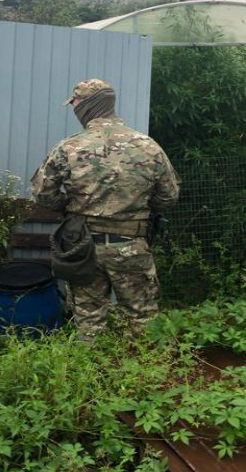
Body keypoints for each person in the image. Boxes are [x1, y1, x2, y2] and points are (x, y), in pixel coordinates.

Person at [31, 79, 180, 340]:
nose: (74, 108)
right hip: (131, 245)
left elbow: (43, 195)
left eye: (75, 103)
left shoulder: (68, 147)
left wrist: (70, 208)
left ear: (87, 105)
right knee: (142, 318)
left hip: (83, 247)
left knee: (88, 321)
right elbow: (168, 197)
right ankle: (143, 375)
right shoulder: (148, 146)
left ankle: (91, 377)